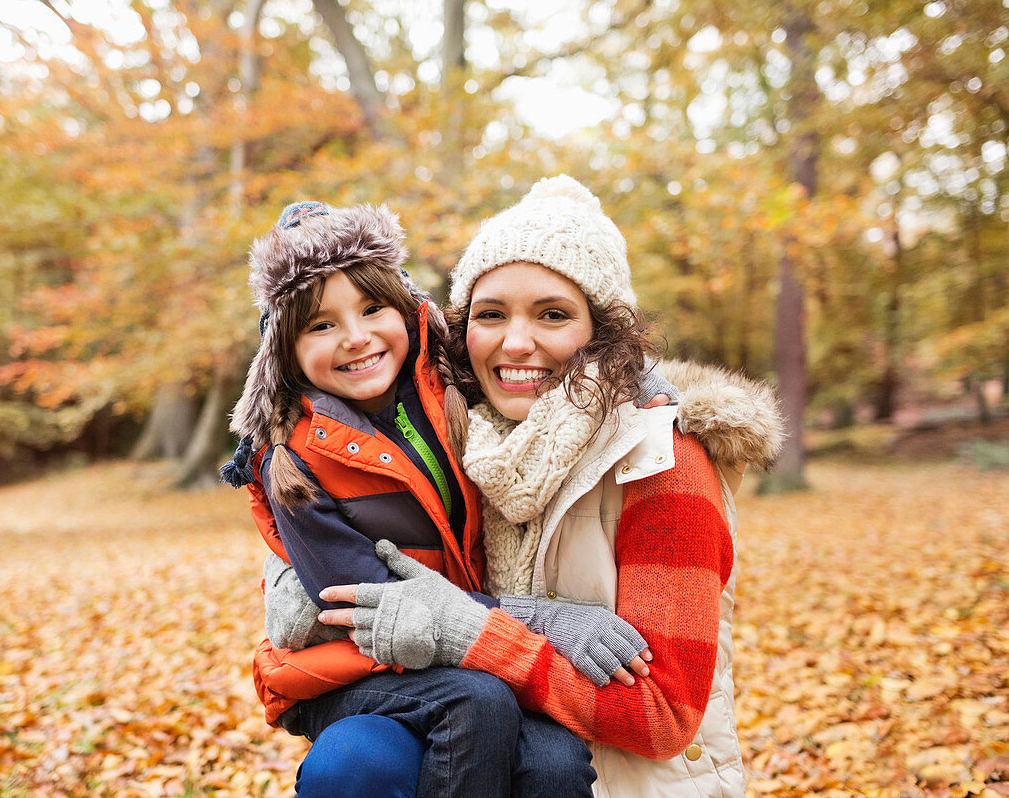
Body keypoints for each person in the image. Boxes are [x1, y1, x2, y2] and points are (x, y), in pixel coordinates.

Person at [303, 175, 784, 798]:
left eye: (552, 315)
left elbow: (661, 713)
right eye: (491, 314)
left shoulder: (665, 464)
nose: (516, 342)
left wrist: (474, 631)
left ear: (604, 331)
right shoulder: (469, 442)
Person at [222, 200, 678, 798]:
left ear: (409, 311)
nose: (356, 338)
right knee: (478, 702)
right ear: (283, 350)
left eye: (371, 307)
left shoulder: (442, 389)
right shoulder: (294, 461)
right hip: (356, 667)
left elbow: (535, 362)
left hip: (461, 647)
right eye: (320, 324)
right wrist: (547, 618)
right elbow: (376, 608)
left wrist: (634, 378)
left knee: (556, 763)